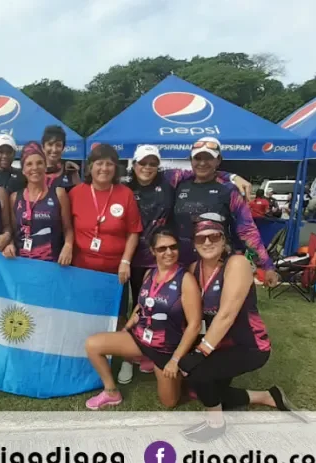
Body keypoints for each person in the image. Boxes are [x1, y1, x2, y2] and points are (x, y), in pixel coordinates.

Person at [118, 144, 252, 384]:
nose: (147, 167)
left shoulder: (169, 180)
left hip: (164, 258)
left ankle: (171, 354)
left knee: (174, 310)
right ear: (134, 164)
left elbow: (203, 170)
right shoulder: (126, 188)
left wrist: (232, 175)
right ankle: (131, 358)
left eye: (152, 163)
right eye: (142, 163)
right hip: (135, 261)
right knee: (140, 307)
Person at [177, 215, 299, 442]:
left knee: (198, 373)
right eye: (200, 238)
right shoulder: (194, 269)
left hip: (249, 345)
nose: (207, 242)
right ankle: (267, 396)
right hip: (219, 343)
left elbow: (226, 315)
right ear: (193, 243)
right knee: (206, 390)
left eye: (214, 236)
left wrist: (199, 353)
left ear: (223, 240)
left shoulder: (237, 264)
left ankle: (215, 425)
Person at [84, 227, 202, 409]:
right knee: (92, 344)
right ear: (153, 252)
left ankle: (183, 376)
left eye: (173, 247)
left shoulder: (185, 279)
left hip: (166, 349)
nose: (169, 252)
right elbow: (141, 305)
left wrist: (175, 360)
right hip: (140, 340)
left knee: (169, 402)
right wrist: (127, 328)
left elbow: (194, 325)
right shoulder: (150, 274)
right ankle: (111, 392)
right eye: (162, 249)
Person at [173, 137, 278, 288]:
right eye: (197, 158)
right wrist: (232, 175)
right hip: (182, 264)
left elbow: (247, 230)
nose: (202, 163)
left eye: (209, 158)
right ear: (190, 160)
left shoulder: (229, 190)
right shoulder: (178, 184)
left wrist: (267, 265)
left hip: (216, 265)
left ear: (218, 160)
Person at [68, 144, 143, 329]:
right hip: (82, 271)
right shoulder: (76, 193)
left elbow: (133, 232)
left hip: (114, 274)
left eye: (109, 164)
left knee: (114, 320)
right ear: (90, 166)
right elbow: (66, 227)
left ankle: (113, 355)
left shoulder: (125, 194)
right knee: (83, 318)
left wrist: (125, 262)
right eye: (99, 163)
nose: (104, 168)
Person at [2, 141, 73, 264]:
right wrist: (9, 245)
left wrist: (68, 245)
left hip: (52, 265)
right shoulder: (14, 198)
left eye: (39, 163)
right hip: (21, 264)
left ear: (45, 167)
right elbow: (13, 232)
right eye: (29, 164)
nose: (35, 168)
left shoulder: (59, 194)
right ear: (23, 170)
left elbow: (68, 229)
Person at [42, 125, 81, 191]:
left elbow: (79, 196)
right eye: (50, 144)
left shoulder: (70, 171)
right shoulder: (35, 170)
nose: (54, 149)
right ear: (43, 147)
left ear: (63, 148)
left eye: (58, 145)